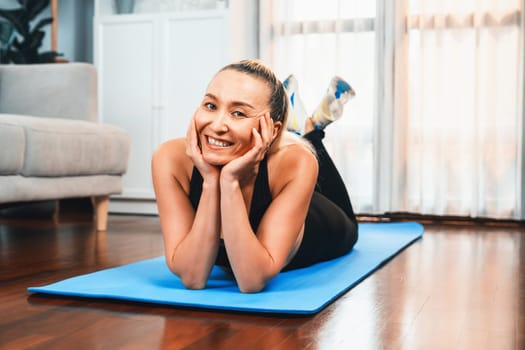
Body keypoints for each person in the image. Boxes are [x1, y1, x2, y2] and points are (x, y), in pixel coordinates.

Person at [151, 59, 358, 293]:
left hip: (319, 220)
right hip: (270, 165)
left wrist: (229, 182)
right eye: (210, 106)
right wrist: (210, 181)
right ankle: (304, 125)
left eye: (238, 113)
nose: (217, 125)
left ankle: (311, 131)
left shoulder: (296, 162)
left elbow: (251, 280)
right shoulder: (170, 158)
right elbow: (192, 277)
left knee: (350, 226)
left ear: (272, 129)